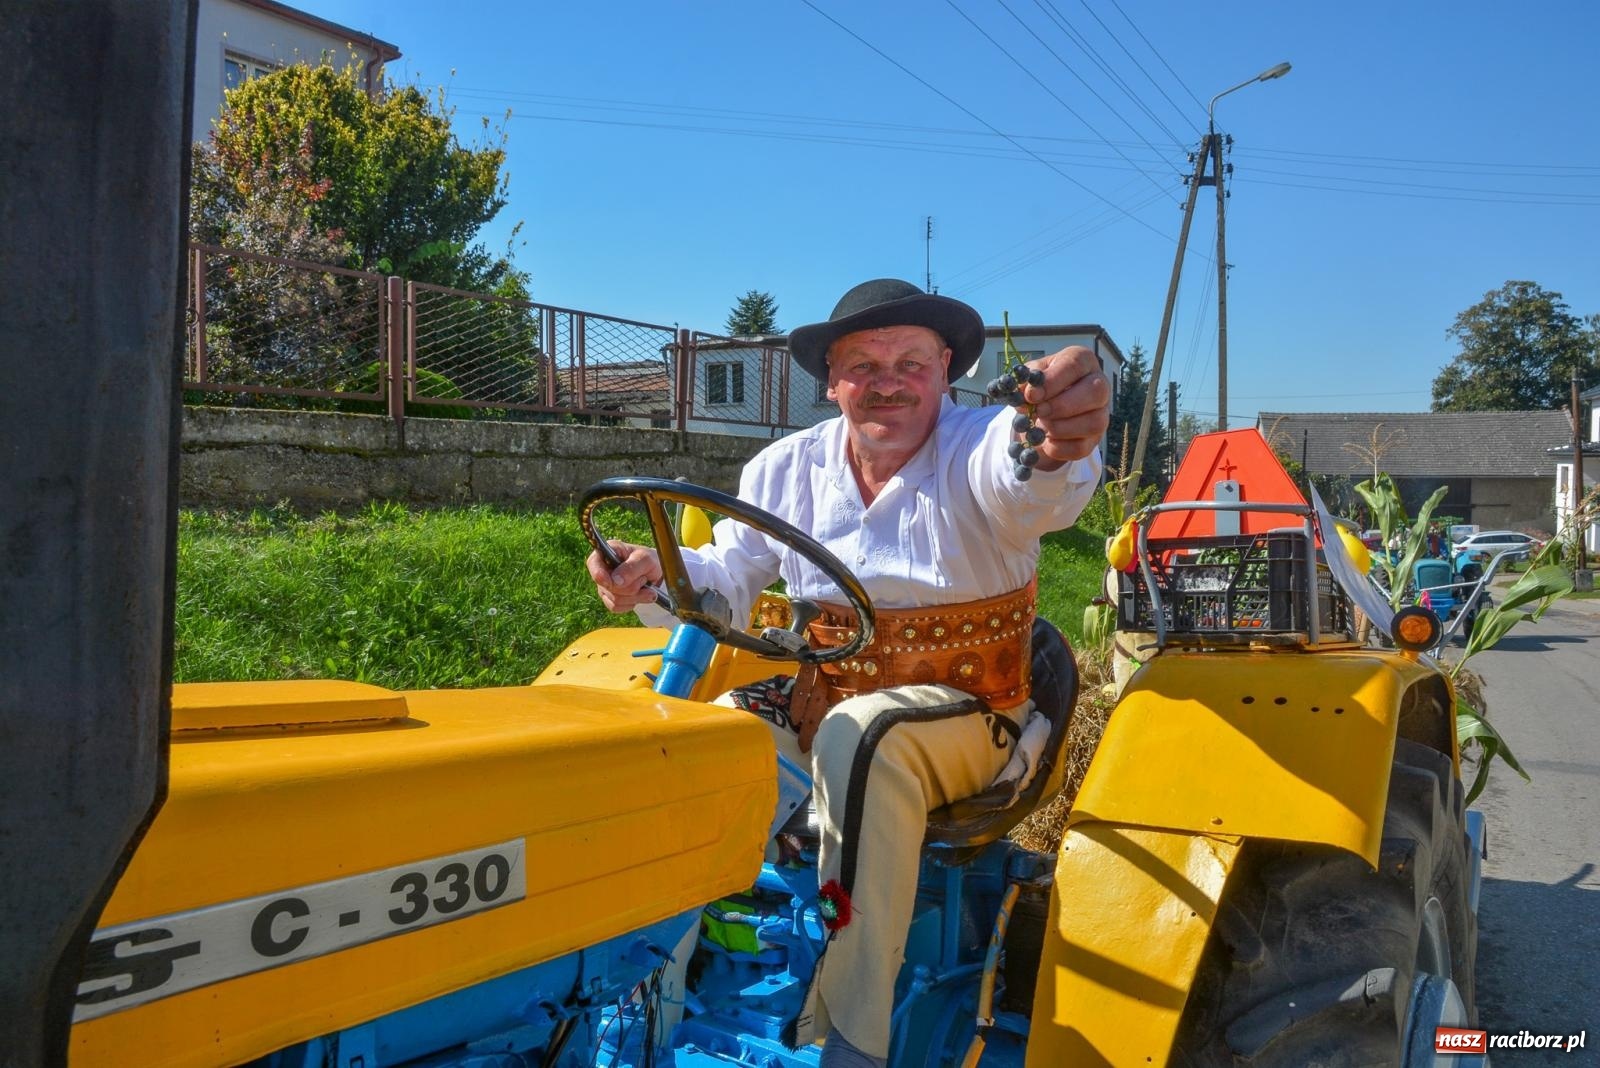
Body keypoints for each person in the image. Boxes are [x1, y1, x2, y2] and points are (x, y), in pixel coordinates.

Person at [587, 278, 1109, 1067]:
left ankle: (855, 1040)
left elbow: (1034, 479)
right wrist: (649, 573)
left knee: (863, 738)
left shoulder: (979, 446)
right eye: (863, 365)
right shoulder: (784, 469)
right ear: (831, 381)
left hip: (972, 716)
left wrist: (1060, 437)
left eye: (911, 363)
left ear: (946, 371)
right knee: (692, 742)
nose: (887, 383)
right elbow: (724, 578)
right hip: (824, 701)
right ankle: (646, 996)